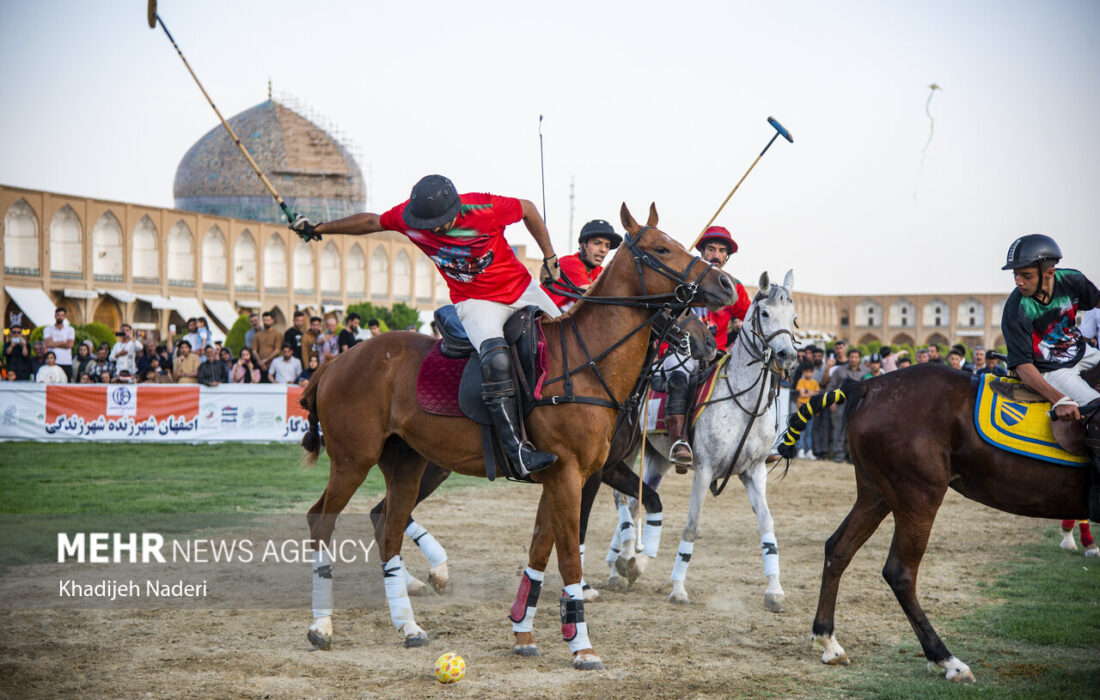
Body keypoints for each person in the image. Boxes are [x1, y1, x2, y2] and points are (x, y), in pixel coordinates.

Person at [291, 173, 562, 476]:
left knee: (569, 340)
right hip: (475, 302)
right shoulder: (409, 217)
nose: (434, 229)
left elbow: (527, 208)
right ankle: (518, 451)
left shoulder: (483, 208)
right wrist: (318, 228)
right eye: (428, 225)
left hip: (523, 290)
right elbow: (371, 222)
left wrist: (550, 257)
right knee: (496, 359)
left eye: (441, 223)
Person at [999, 234, 1100, 520]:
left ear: (1049, 273)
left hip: (1083, 353)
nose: (1019, 282)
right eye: (1017, 276)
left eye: (1026, 276)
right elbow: (1023, 368)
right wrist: (1060, 400)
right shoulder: (1016, 308)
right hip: (1050, 371)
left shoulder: (1073, 280)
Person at [659, 225, 751, 466]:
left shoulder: (733, 285)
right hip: (681, 350)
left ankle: (755, 441)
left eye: (722, 250)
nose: (716, 255)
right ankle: (679, 441)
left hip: (717, 356)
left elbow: (751, 319)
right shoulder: (681, 277)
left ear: (727, 256)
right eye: (711, 249)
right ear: (701, 251)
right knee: (679, 373)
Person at [543, 219, 622, 310]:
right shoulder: (569, 263)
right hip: (540, 319)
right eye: (597, 243)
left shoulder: (599, 271)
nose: (603, 250)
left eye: (607, 245)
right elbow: (591, 294)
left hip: (561, 319)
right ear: (582, 244)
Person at [826, 348, 864, 462]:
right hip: (841, 405)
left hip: (859, 406)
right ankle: (839, 454)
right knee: (839, 429)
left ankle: (852, 455)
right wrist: (831, 402)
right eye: (851, 357)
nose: (853, 359)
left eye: (856, 357)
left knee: (855, 430)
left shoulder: (864, 372)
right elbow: (831, 386)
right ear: (848, 358)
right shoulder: (839, 370)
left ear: (859, 358)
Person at [794, 363, 819, 460]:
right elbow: (802, 394)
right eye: (806, 372)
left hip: (811, 408)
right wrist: (811, 392)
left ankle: (809, 451)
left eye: (810, 372)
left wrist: (807, 391)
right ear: (803, 372)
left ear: (813, 372)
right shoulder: (801, 380)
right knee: (801, 430)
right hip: (802, 407)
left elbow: (816, 394)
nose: (808, 374)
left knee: (809, 431)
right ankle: (800, 450)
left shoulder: (815, 382)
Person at [43, 307, 75, 378]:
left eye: (62, 315)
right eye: (58, 315)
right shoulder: (48, 329)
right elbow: (47, 344)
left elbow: (69, 344)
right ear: (55, 316)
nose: (60, 317)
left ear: (65, 317)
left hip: (66, 362)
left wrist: (53, 344)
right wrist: (62, 342)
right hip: (53, 362)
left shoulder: (70, 329)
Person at [250, 311, 282, 381]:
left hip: (273, 366)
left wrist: (266, 360)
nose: (266, 322)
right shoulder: (258, 335)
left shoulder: (277, 334)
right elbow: (254, 350)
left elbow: (277, 350)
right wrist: (261, 362)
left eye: (268, 320)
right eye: (264, 320)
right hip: (260, 367)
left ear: (272, 321)